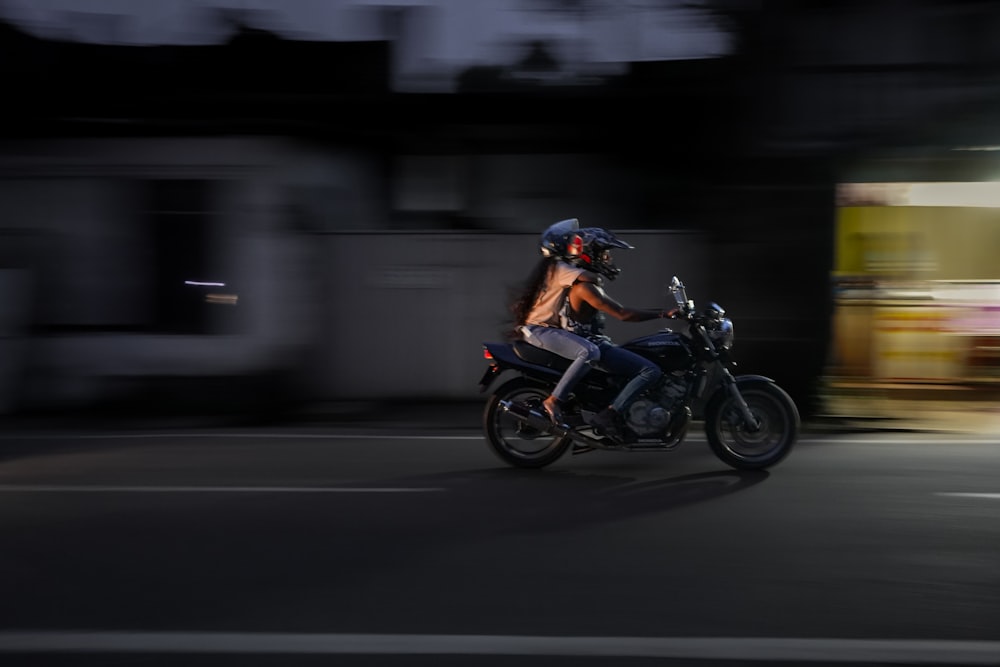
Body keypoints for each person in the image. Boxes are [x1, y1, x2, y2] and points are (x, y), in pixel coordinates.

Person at [507, 218, 676, 440]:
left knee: (619, 355)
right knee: (618, 361)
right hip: (541, 331)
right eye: (603, 253)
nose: (608, 258)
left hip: (566, 333)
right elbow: (622, 313)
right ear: (586, 253)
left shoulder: (561, 272)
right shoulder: (568, 274)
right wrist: (663, 313)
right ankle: (576, 406)